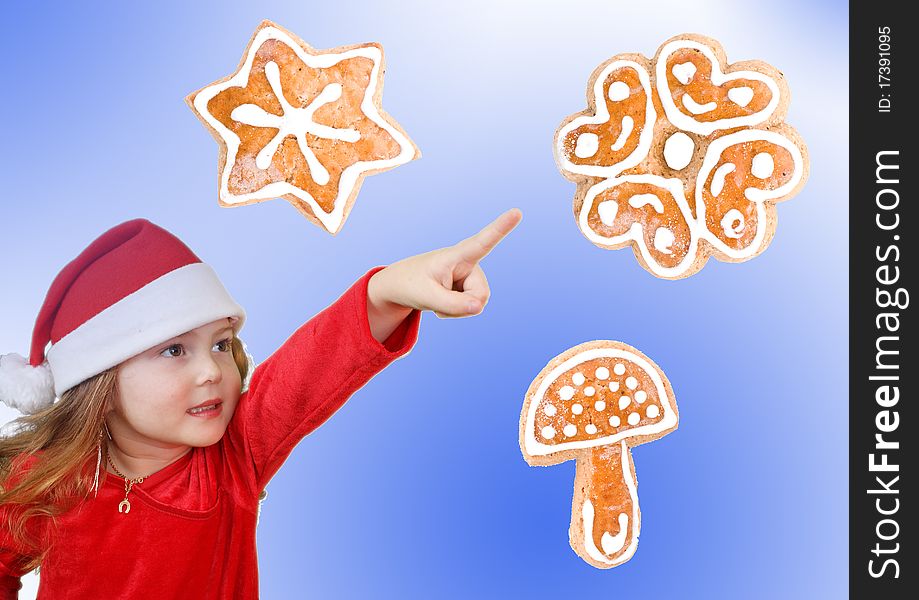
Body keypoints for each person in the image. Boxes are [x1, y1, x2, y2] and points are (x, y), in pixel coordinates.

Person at [0, 208, 521, 599]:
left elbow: (310, 371)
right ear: (101, 382)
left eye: (221, 345)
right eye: (174, 350)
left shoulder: (235, 458)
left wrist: (386, 293)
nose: (211, 370)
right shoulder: (46, 480)